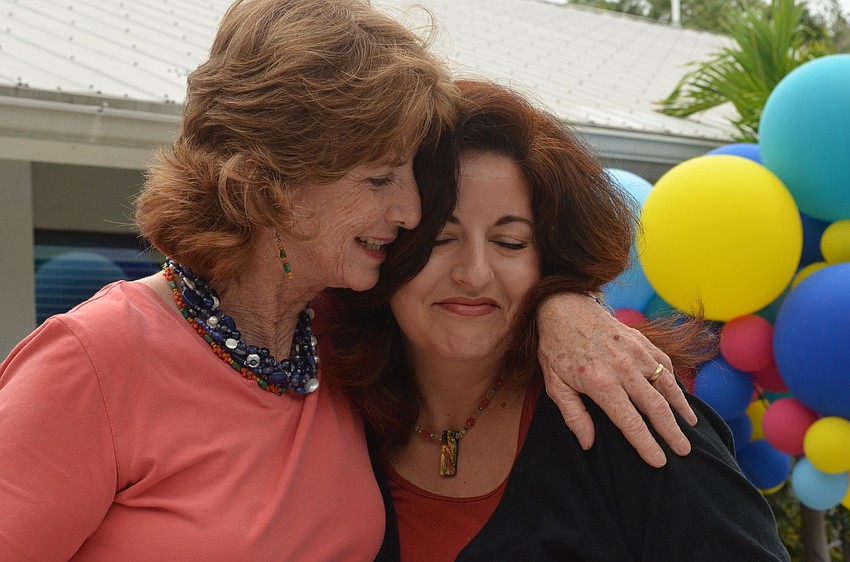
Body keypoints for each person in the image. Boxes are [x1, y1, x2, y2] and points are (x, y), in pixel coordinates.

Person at [1, 1, 694, 559]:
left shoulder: (335, 344)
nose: (412, 211)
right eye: (380, 178)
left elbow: (479, 292)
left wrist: (558, 303)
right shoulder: (95, 361)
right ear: (272, 180)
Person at [325, 79, 790, 561]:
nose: (473, 273)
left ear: (548, 258)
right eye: (440, 239)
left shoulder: (627, 411)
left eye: (511, 244)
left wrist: (566, 299)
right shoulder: (324, 402)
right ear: (383, 244)